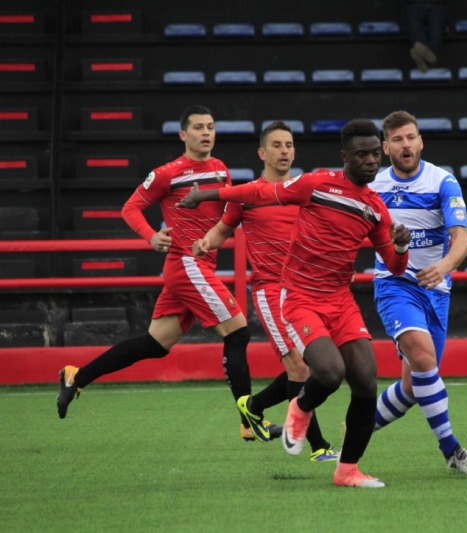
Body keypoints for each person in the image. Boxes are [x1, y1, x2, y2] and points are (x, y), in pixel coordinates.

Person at [177, 119, 412, 489]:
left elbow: (397, 268)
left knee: (366, 383)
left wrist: (400, 246)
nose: (370, 161)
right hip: (300, 296)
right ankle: (300, 408)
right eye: (361, 154)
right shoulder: (317, 184)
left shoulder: (376, 208)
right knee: (330, 372)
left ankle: (347, 470)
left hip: (341, 301)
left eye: (374, 153)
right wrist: (207, 196)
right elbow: (257, 194)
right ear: (345, 156)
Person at [55, 105, 281, 444]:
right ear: (183, 135)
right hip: (187, 264)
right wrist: (151, 236)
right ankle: (249, 421)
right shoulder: (167, 173)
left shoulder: (220, 169)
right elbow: (130, 207)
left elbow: (230, 208)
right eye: (199, 128)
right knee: (237, 334)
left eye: (211, 126)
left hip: (196, 267)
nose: (206, 133)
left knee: (155, 344)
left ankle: (76, 377)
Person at [192, 121, 338, 462]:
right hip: (272, 291)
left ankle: (253, 406)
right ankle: (318, 446)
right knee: (300, 370)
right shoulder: (246, 196)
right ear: (263, 153)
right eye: (277, 145)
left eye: (289, 145)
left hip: (306, 290)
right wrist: (205, 243)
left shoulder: (304, 191)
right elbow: (221, 230)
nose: (284, 151)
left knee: (316, 367)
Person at [370, 110, 467, 476]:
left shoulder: (443, 182)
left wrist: (444, 266)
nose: (405, 144)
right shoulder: (373, 187)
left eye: (411, 137)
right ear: (386, 147)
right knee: (423, 359)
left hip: (436, 290)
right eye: (397, 139)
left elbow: (462, 240)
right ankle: (452, 451)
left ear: (420, 141)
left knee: (411, 387)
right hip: (393, 285)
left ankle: (357, 430)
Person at [404, 0, 449, 72]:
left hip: (438, 4)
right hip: (413, 4)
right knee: (413, 24)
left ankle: (421, 54)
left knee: (437, 27)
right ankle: (431, 59)